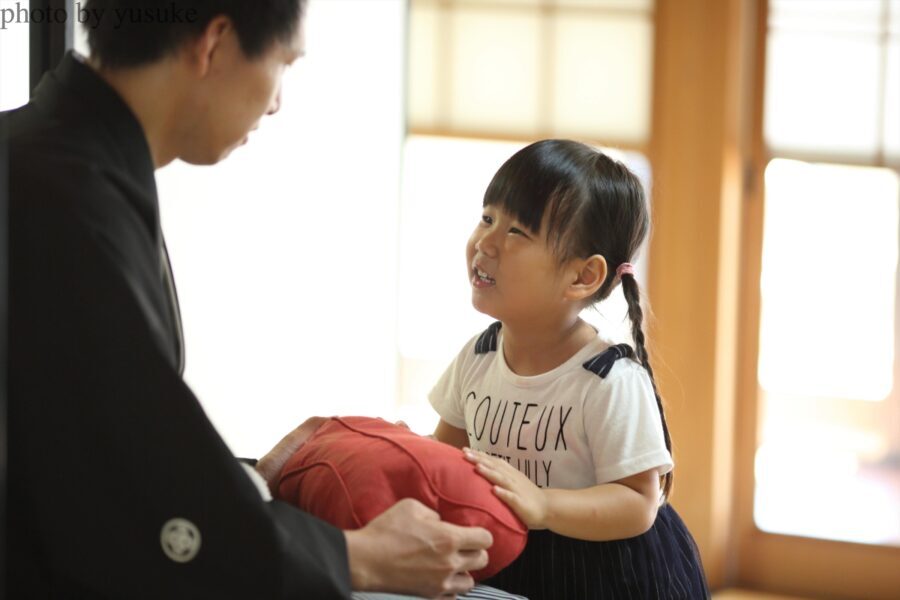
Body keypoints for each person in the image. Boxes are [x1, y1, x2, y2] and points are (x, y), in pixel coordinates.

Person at [5, 1, 496, 598]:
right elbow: (124, 490)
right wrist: (355, 556)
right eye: (282, 65)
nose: (276, 101)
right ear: (214, 43)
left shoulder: (46, 153)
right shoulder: (68, 200)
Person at [429, 139, 711, 599]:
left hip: (600, 570)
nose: (486, 242)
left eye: (517, 231)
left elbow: (639, 501)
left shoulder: (607, 379)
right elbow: (448, 457)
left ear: (583, 277)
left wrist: (543, 504)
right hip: (505, 554)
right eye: (487, 218)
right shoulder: (478, 357)